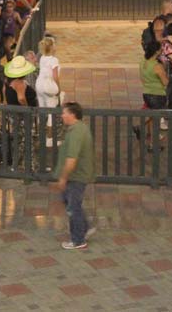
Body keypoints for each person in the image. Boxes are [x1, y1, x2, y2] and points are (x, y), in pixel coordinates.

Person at [54, 102, 96, 251]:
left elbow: (72, 159)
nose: (62, 115)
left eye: (64, 112)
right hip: (77, 175)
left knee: (73, 207)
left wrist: (63, 177)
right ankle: (84, 227)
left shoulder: (76, 133)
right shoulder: (79, 128)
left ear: (72, 114)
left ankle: (78, 239)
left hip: (76, 176)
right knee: (69, 202)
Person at [134, 40, 170, 150]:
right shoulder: (157, 66)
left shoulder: (143, 62)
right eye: (160, 49)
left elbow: (142, 78)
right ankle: (153, 145)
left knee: (151, 115)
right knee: (155, 120)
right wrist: (165, 69)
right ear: (156, 51)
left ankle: (142, 130)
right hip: (157, 95)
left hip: (146, 93)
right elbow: (165, 82)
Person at [35, 37, 61, 145]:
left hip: (39, 84)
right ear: (51, 47)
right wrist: (59, 88)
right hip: (48, 85)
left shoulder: (42, 57)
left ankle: (40, 135)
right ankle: (49, 138)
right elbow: (55, 76)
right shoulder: (54, 60)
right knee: (51, 112)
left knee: (42, 110)